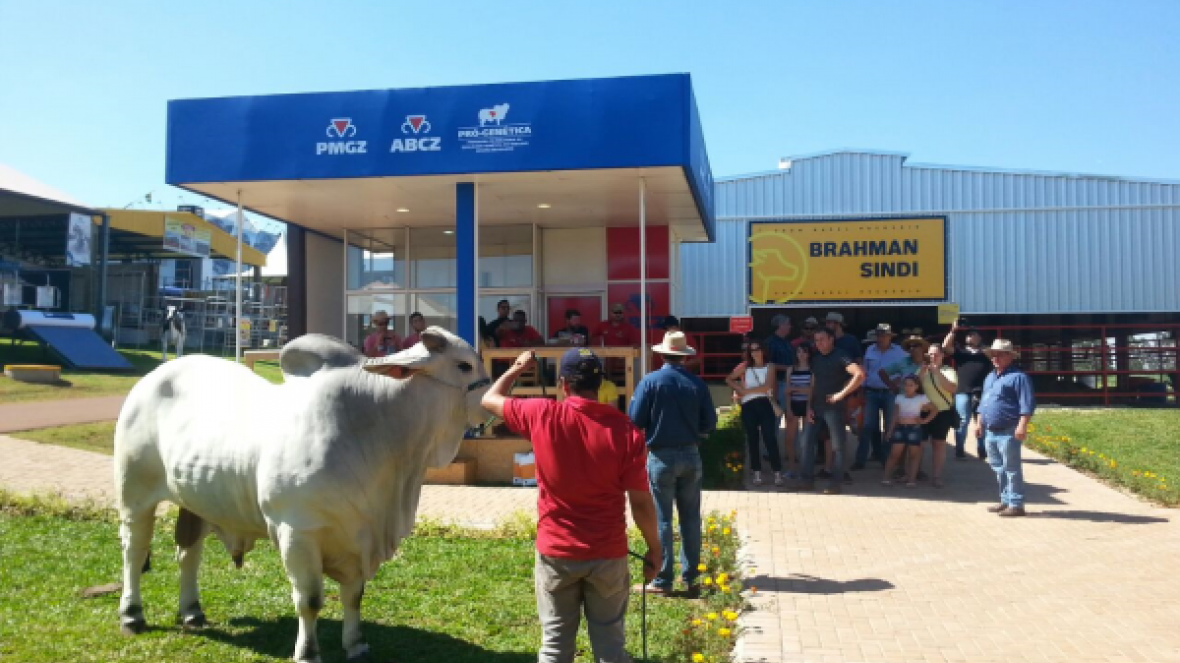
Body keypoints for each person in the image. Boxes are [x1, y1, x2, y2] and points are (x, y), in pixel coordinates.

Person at [481, 349, 661, 662]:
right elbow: (642, 504)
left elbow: (489, 399)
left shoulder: (542, 414)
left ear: (564, 383)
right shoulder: (625, 431)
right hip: (607, 552)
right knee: (611, 647)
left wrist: (517, 368)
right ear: (601, 384)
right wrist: (654, 549)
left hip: (556, 552)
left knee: (554, 646)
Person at [628, 331, 717, 597]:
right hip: (691, 453)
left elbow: (635, 418)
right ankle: (691, 579)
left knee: (662, 519)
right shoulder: (697, 384)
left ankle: (663, 579)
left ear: (662, 354)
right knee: (690, 517)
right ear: (684, 356)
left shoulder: (650, 381)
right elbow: (710, 422)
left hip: (661, 455)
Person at [791, 328, 866, 494]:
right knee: (806, 443)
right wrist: (809, 406)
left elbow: (860, 374)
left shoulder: (841, 355)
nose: (819, 343)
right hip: (816, 407)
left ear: (831, 339)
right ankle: (806, 480)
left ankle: (835, 483)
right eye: (816, 340)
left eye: (822, 339)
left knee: (838, 446)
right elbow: (813, 384)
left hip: (835, 407)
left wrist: (841, 394)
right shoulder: (816, 359)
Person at [977, 339, 1036, 517]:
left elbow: (1027, 404)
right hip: (990, 430)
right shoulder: (990, 377)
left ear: (1010, 356)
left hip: (1008, 429)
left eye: (1000, 354)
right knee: (998, 467)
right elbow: (983, 402)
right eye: (993, 354)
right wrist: (979, 423)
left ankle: (1016, 503)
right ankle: (1005, 500)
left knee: (1011, 468)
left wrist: (1022, 426)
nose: (995, 357)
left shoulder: (1019, 377)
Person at [726, 339, 783, 487]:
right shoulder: (746, 366)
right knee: (752, 439)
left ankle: (777, 472)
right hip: (748, 405)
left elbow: (767, 386)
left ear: (763, 350)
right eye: (752, 350)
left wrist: (745, 391)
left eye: (758, 349)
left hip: (765, 404)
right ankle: (756, 472)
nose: (755, 352)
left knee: (770, 438)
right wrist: (739, 390)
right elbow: (729, 378)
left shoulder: (770, 366)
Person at [854, 323, 907, 470]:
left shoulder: (899, 351)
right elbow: (865, 370)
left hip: (890, 392)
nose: (881, 337)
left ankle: (886, 460)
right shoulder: (870, 349)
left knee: (890, 427)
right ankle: (860, 460)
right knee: (867, 426)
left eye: (884, 335)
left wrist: (901, 381)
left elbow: (908, 367)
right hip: (871, 392)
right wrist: (862, 389)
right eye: (879, 335)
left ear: (890, 336)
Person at [942, 320, 992, 461]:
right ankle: (959, 449)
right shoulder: (961, 352)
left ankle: (982, 449)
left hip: (981, 391)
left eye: (974, 335)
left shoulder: (985, 352)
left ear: (980, 338)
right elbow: (945, 347)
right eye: (969, 335)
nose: (971, 337)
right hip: (962, 391)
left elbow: (993, 356)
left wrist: (981, 347)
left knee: (981, 422)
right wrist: (953, 331)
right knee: (962, 421)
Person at [881, 375, 936, 488]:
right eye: (905, 384)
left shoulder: (921, 398)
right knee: (894, 454)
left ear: (916, 386)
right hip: (900, 427)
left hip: (914, 428)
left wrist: (924, 421)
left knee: (914, 455)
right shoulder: (899, 397)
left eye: (911, 385)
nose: (907, 387)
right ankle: (886, 478)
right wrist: (890, 430)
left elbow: (934, 410)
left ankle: (911, 480)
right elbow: (895, 416)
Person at [918, 344, 959, 489]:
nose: (933, 357)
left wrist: (938, 373)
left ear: (942, 355)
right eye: (930, 354)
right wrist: (921, 374)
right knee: (919, 444)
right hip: (924, 411)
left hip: (943, 411)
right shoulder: (923, 370)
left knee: (939, 444)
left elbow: (952, 388)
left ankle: (936, 477)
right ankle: (916, 472)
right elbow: (913, 387)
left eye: (936, 354)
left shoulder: (949, 371)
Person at [763, 314, 795, 464]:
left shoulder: (787, 343)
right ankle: (770, 452)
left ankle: (787, 452)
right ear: (780, 325)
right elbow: (767, 365)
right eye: (788, 323)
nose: (790, 326)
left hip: (789, 384)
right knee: (774, 419)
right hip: (777, 384)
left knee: (790, 418)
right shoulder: (770, 343)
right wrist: (789, 368)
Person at [784, 344, 814, 478]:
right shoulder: (791, 369)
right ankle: (792, 468)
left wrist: (795, 389)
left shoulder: (813, 371)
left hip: (807, 405)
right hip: (794, 405)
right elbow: (786, 391)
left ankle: (805, 470)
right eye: (799, 352)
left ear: (808, 354)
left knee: (805, 441)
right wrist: (788, 408)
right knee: (789, 439)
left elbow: (812, 391)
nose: (801, 354)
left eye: (804, 352)